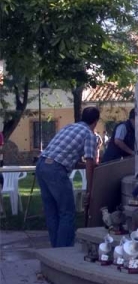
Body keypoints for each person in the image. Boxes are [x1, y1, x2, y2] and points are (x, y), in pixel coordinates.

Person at [36, 106, 100, 247]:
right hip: (56, 169)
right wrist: (90, 189)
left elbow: (67, 155)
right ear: (96, 121)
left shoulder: (68, 127)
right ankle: (64, 251)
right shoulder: (90, 135)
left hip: (41, 164)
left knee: (51, 211)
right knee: (67, 212)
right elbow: (90, 162)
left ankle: (56, 248)